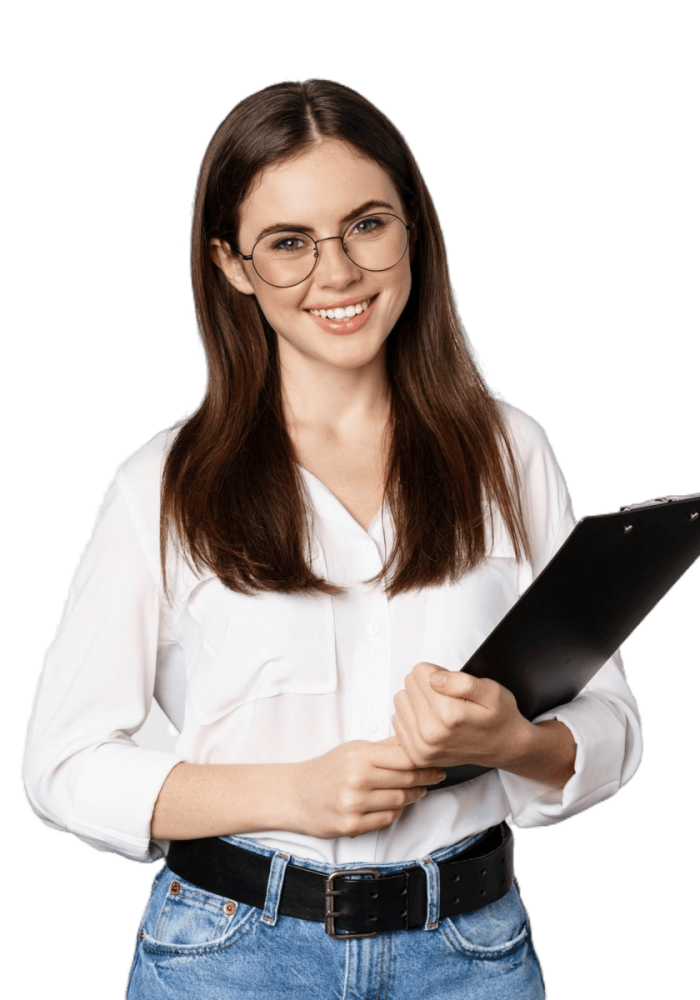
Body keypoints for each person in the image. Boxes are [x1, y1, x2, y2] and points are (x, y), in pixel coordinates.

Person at [21, 78, 644, 999]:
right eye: (288, 244)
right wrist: (293, 794)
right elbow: (64, 767)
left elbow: (614, 725)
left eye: (366, 225)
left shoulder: (512, 452)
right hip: (229, 958)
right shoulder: (161, 483)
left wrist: (515, 739)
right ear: (232, 265)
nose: (339, 274)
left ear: (414, 229)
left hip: (470, 954)